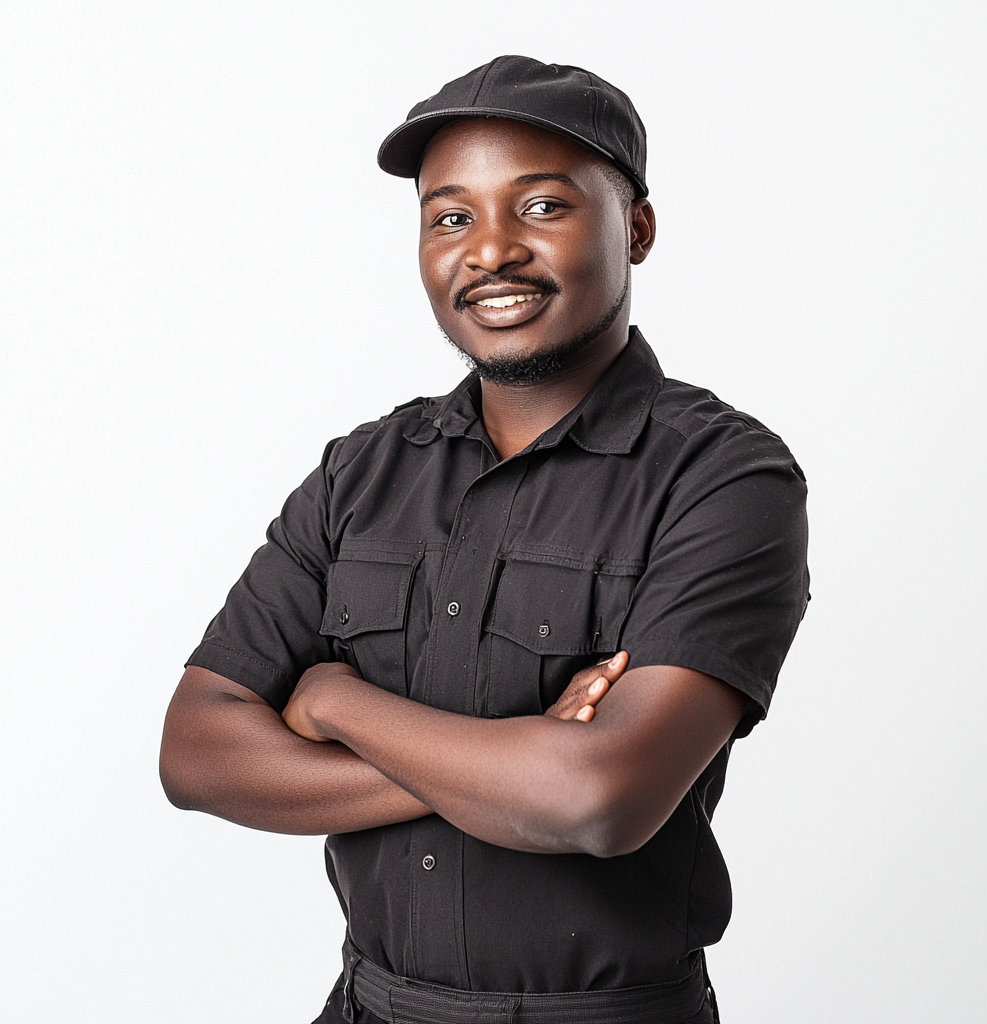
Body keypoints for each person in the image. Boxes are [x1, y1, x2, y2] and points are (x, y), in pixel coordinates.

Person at [160, 55, 810, 1024]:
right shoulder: (359, 471)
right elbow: (198, 753)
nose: (490, 249)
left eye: (541, 206)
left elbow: (596, 802)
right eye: (451, 216)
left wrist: (333, 699)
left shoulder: (722, 478)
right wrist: (514, 766)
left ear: (634, 226)